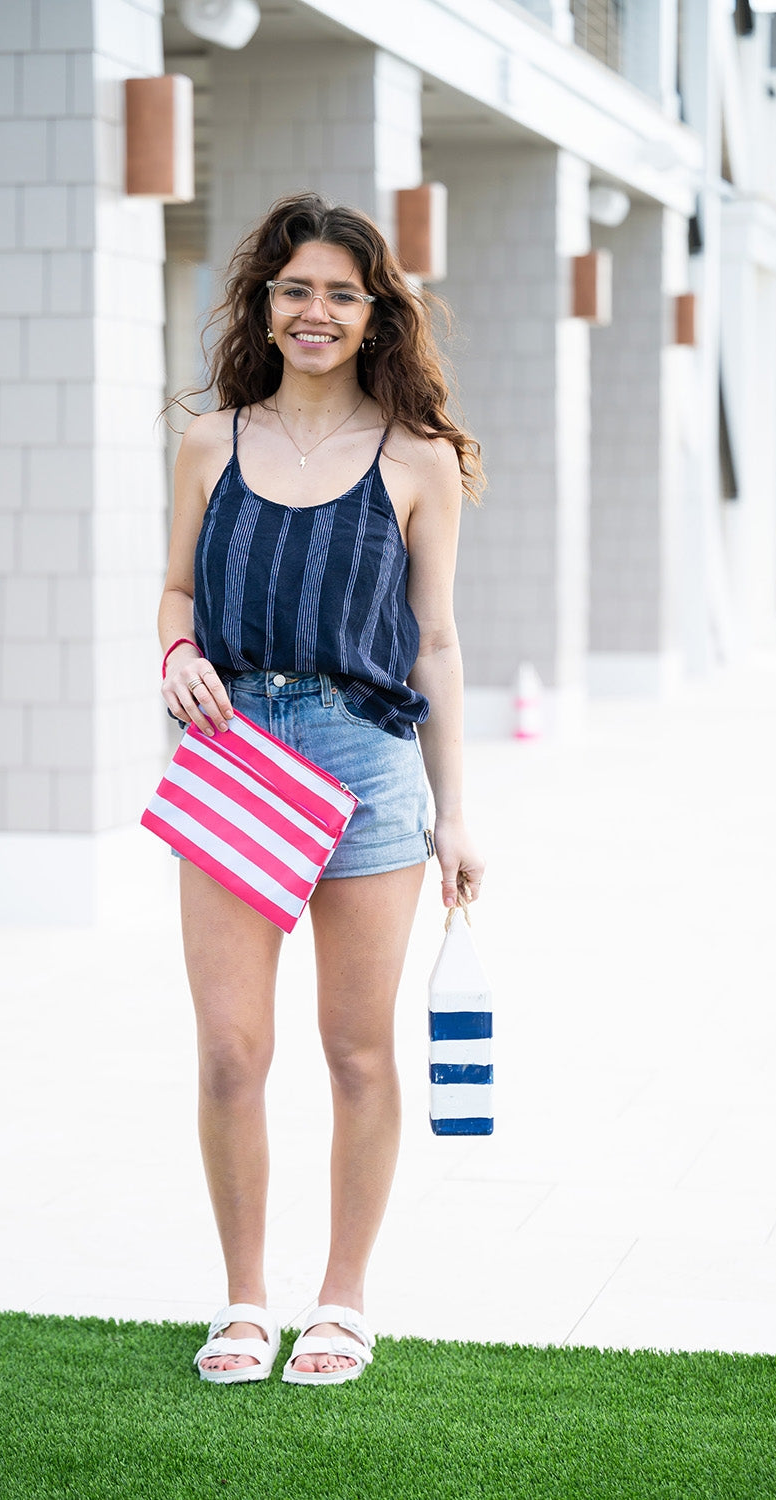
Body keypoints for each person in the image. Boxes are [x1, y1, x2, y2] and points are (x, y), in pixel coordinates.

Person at [157, 192, 485, 1386]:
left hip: (362, 755)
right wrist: (179, 653)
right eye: (294, 287)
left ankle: (341, 1301)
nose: (315, 310)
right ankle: (244, 1301)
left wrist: (454, 814)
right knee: (230, 1052)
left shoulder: (417, 461)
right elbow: (177, 593)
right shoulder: (209, 441)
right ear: (264, 302)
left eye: (340, 292)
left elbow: (434, 643)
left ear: (373, 313)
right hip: (234, 750)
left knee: (356, 1051)